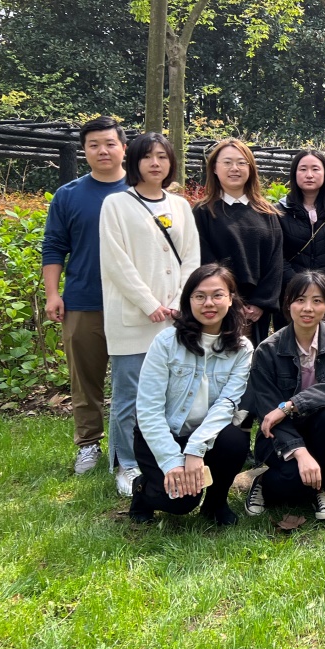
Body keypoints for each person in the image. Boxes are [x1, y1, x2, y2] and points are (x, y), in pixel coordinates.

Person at [98, 132, 200, 496]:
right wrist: (149, 303)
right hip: (133, 318)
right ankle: (126, 464)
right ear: (134, 162)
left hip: (174, 317)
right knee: (129, 395)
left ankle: (161, 458)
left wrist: (179, 301)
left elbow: (191, 258)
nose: (155, 163)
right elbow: (115, 262)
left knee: (170, 393)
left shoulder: (181, 206)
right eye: (147, 157)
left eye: (162, 156)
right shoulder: (116, 204)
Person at [129, 263, 252, 526]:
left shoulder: (242, 349)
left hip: (207, 435)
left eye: (217, 295)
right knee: (181, 502)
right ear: (188, 301)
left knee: (235, 440)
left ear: (230, 299)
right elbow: (149, 410)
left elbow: (227, 404)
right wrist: (173, 462)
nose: (209, 303)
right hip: (164, 435)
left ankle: (215, 503)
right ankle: (143, 489)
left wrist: (196, 450)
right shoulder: (166, 343)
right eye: (200, 296)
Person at [41, 116, 130, 475]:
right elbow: (54, 246)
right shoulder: (69, 195)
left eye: (109, 143)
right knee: (84, 381)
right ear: (84, 151)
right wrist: (52, 294)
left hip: (134, 306)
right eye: (94, 145)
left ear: (124, 148)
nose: (102, 150)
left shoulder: (142, 191)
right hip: (82, 301)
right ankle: (88, 444)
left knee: (135, 381)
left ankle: (131, 448)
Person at [243, 270, 325, 522]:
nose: (308, 308)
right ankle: (263, 482)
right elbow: (268, 411)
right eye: (300, 300)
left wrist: (291, 404)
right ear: (288, 304)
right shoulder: (267, 351)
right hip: (282, 433)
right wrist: (300, 452)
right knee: (293, 480)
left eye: (317, 301)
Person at [193, 138, 283, 347]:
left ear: (250, 169)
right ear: (214, 168)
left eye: (242, 163)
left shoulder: (267, 213)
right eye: (227, 162)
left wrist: (260, 303)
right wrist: (231, 301)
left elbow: (275, 261)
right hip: (217, 305)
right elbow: (203, 258)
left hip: (256, 312)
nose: (235, 168)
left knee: (254, 360)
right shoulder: (203, 212)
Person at [275, 150, 325, 329]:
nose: (309, 175)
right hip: (291, 296)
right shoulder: (278, 212)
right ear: (294, 173)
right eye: (303, 169)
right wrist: (302, 287)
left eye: (315, 169)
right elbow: (277, 257)